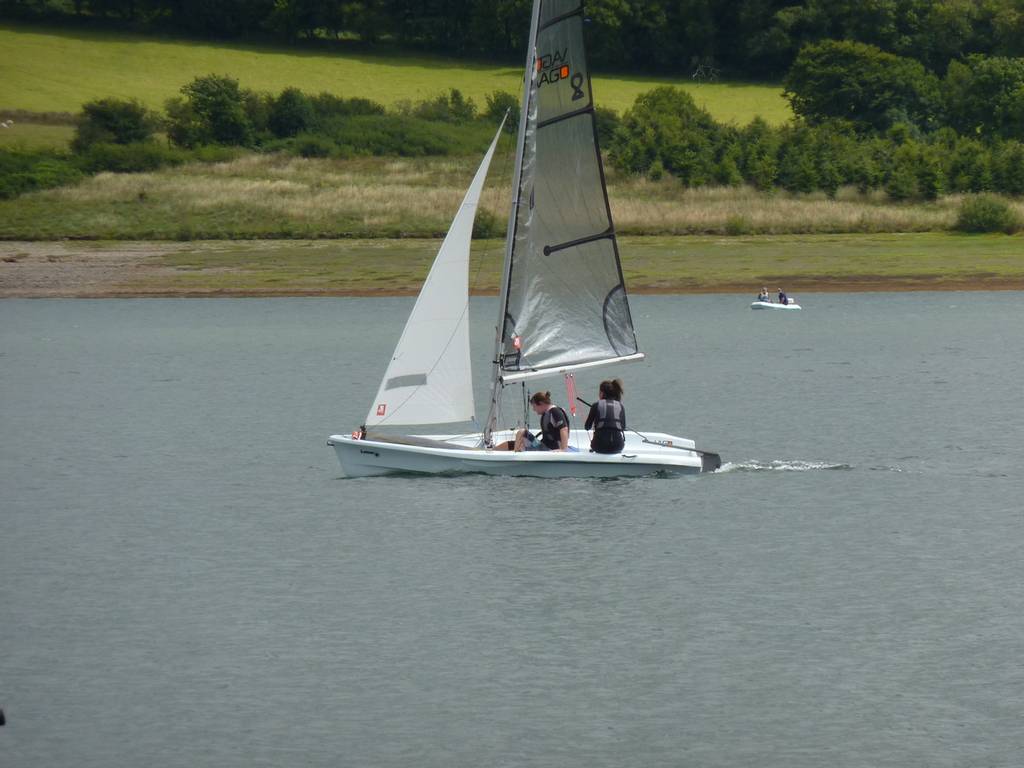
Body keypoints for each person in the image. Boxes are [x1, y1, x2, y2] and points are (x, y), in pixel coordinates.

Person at [493, 391, 570, 452]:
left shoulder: (555, 412)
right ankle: (492, 451)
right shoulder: (548, 413)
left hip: (550, 449)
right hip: (544, 446)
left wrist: (563, 449)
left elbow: (564, 429)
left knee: (522, 432)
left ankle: (515, 456)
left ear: (541, 404)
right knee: (516, 443)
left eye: (534, 406)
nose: (534, 409)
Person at [585, 379, 627, 454]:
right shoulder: (620, 406)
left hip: (599, 446)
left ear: (602, 393)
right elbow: (623, 427)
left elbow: (587, 427)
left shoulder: (596, 405)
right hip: (618, 446)